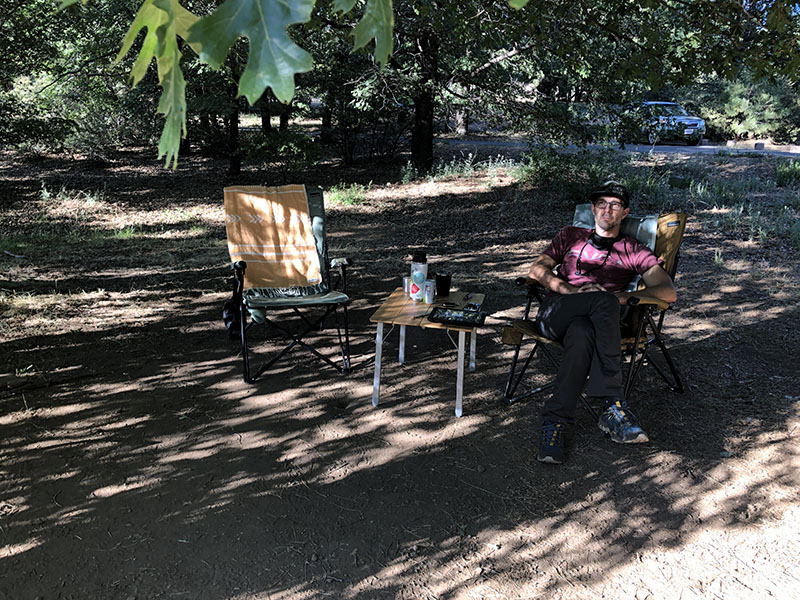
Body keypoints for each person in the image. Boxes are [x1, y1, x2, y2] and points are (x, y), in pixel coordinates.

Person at [526, 181, 677, 464]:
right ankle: (612, 403)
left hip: (593, 325)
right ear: (593, 209)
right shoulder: (570, 235)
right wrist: (570, 291)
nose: (607, 210)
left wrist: (617, 297)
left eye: (615, 205)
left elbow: (668, 292)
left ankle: (554, 422)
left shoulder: (632, 249)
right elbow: (536, 269)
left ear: (625, 212)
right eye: (601, 204)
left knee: (582, 333)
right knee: (601, 304)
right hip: (556, 313)